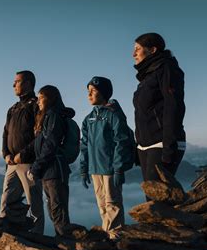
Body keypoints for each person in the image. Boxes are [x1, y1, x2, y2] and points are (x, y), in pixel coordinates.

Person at [79, 76, 133, 239]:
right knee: (102, 205)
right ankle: (108, 235)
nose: (89, 95)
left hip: (110, 168)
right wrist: (83, 169)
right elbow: (84, 145)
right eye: (88, 91)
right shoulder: (88, 119)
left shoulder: (113, 115)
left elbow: (121, 141)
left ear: (104, 93)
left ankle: (115, 237)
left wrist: (118, 168)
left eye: (93, 91)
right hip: (95, 168)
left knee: (113, 204)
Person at [132, 33, 186, 195]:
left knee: (158, 201)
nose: (133, 54)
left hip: (162, 143)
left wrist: (169, 145)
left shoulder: (166, 69)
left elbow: (173, 107)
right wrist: (138, 145)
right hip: (146, 145)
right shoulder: (148, 76)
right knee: (153, 198)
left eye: (137, 49)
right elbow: (143, 113)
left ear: (153, 50)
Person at [0, 70, 44, 234]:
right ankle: (4, 233)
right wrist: (6, 154)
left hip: (29, 163)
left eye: (17, 81)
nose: (13, 85)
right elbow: (5, 133)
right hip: (12, 163)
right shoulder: (13, 108)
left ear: (28, 83)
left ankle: (37, 236)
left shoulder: (36, 106)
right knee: (6, 200)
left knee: (34, 203)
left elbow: (39, 135)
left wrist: (22, 155)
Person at [27, 85, 75, 237]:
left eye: (41, 97)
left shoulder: (53, 115)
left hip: (55, 170)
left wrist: (35, 168)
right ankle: (63, 243)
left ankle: (67, 245)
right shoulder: (47, 116)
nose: (38, 101)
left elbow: (50, 144)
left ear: (50, 99)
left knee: (57, 210)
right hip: (48, 172)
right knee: (54, 210)